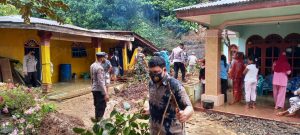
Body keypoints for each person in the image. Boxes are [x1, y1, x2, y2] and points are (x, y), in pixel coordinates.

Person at [143, 56, 194, 135]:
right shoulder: (151, 83)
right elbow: (152, 98)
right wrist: (149, 107)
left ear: (164, 70)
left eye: (156, 72)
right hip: (155, 130)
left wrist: (185, 114)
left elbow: (189, 107)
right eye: (151, 72)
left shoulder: (174, 85)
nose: (153, 75)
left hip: (172, 131)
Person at [90, 52, 109, 121]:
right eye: (104, 58)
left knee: (97, 106)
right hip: (99, 90)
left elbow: (92, 78)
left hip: (94, 89)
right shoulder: (99, 68)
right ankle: (99, 123)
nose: (105, 59)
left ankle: (96, 120)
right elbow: (101, 82)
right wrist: (106, 93)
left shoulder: (92, 65)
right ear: (101, 58)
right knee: (102, 106)